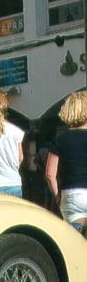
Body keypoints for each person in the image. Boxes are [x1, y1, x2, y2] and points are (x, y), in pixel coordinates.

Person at [46, 91, 87, 234]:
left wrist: (58, 197)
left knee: (74, 242)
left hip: (71, 195)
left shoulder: (60, 139)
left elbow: (50, 175)